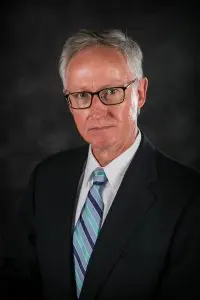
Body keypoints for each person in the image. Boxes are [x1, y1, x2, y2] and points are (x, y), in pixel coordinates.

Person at [0, 29, 200, 300]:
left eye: (111, 91)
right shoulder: (46, 179)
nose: (96, 110)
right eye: (82, 95)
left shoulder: (188, 196)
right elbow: (18, 281)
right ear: (69, 102)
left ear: (140, 93)